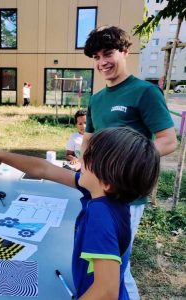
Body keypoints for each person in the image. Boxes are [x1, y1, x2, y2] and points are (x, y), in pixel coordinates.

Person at [0, 127, 160, 300]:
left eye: (91, 157)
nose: (83, 158)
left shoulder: (101, 213)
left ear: (108, 181)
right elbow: (43, 168)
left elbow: (106, 291)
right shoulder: (107, 196)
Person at [81, 25, 177, 299]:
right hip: (98, 191)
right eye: (97, 57)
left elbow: (168, 141)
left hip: (127, 196)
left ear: (125, 51)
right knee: (100, 260)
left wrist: (122, 165)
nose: (102, 62)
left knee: (117, 263)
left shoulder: (144, 92)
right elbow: (88, 140)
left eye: (108, 53)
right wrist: (83, 168)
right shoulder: (96, 99)